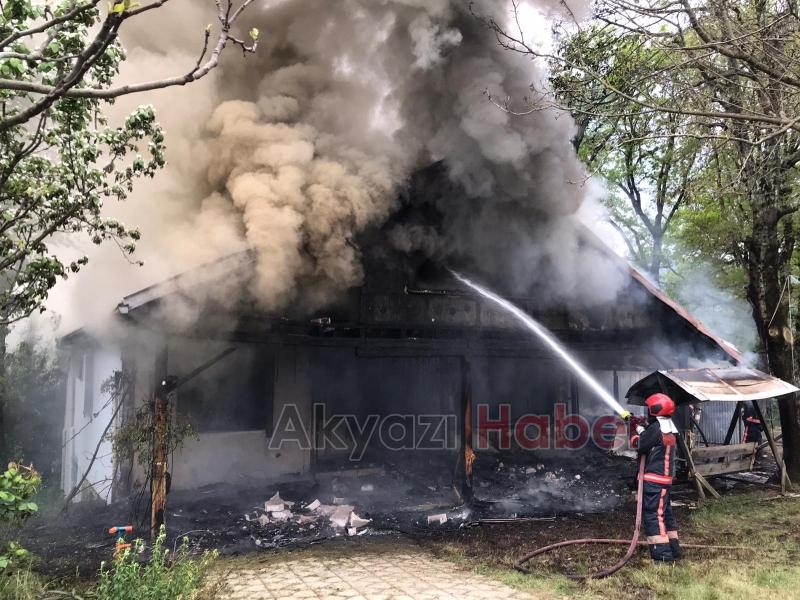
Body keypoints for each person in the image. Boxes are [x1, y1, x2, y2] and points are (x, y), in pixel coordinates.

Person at [629, 393, 681, 562]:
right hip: (665, 480)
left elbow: (640, 444)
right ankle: (673, 549)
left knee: (653, 515)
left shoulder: (656, 428)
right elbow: (651, 439)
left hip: (654, 481)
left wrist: (633, 430)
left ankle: (662, 556)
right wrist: (641, 426)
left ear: (654, 410)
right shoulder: (668, 427)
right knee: (665, 515)